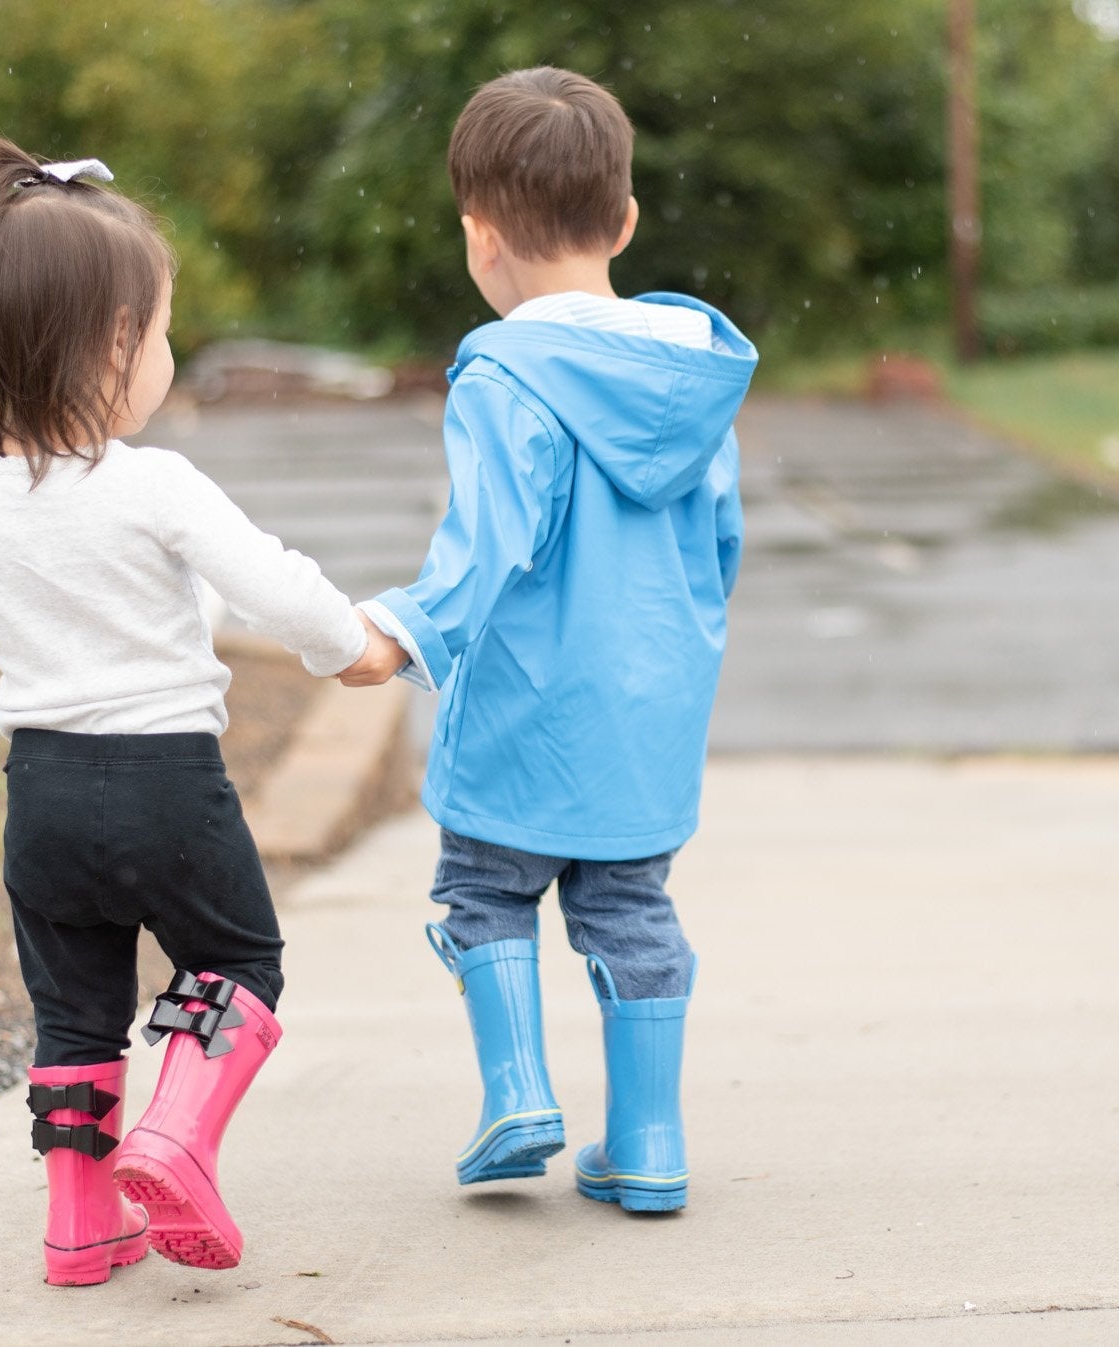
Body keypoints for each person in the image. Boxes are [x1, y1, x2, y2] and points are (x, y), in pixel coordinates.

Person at [0, 130, 405, 1285]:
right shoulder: (151, 481)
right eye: (162, 331)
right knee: (237, 962)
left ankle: (79, 1226)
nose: (166, 352)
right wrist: (350, 648)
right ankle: (177, 1137)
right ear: (116, 345)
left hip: (46, 795)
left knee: (76, 1014)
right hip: (167, 781)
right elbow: (268, 578)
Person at [352, 67, 757, 1213]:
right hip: (646, 713)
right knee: (629, 908)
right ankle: (649, 1144)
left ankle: (520, 1093)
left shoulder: (506, 376)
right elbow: (719, 548)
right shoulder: (688, 376)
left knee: (484, 891)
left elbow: (485, 541)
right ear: (624, 220)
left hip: (529, 706)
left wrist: (405, 629)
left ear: (479, 240)